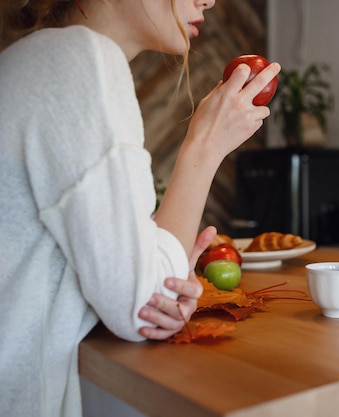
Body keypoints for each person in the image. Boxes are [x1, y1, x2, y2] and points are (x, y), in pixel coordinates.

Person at [0, 0, 280, 416]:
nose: (210, 0)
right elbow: (144, 304)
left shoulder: (29, 61)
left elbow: (119, 283)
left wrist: (156, 270)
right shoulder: (79, 61)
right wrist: (205, 146)